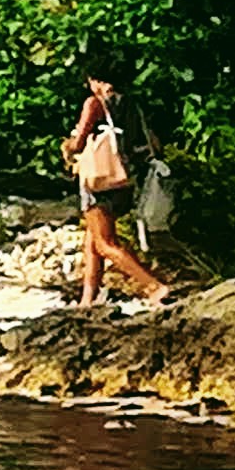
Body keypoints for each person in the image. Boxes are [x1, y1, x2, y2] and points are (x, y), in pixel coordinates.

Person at [62, 71, 170, 306]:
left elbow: (79, 142)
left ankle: (153, 286)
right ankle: (87, 299)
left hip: (99, 183)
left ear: (95, 79)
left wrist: (66, 147)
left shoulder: (95, 103)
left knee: (105, 243)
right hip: (123, 179)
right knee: (92, 241)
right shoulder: (130, 103)